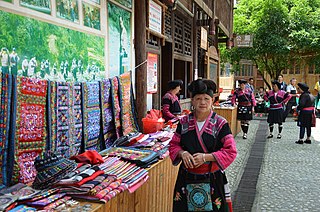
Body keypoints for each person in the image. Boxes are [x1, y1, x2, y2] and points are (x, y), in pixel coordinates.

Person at [169, 79, 237, 211]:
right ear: (192, 101)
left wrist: (206, 157)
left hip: (212, 178)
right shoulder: (183, 122)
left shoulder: (220, 124)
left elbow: (231, 151)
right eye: (198, 98)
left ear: (212, 101)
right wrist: (182, 153)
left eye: (206, 98)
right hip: (186, 177)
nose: (202, 102)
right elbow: (173, 145)